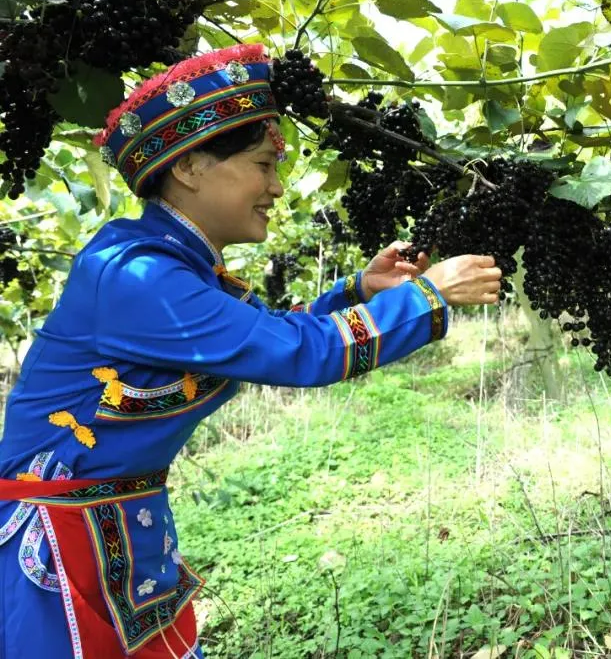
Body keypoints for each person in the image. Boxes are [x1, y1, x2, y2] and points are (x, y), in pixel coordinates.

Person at [0, 43, 501, 658]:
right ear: (188, 168)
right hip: (55, 551)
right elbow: (297, 353)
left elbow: (260, 336)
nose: (278, 187)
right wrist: (429, 294)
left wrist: (359, 290)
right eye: (264, 165)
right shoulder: (134, 277)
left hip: (119, 534)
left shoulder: (173, 268)